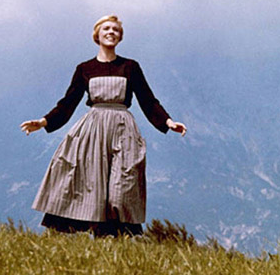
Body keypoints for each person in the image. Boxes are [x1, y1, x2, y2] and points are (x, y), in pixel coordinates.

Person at [20, 15, 187, 236]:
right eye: (106, 28)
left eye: (115, 30)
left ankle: (115, 235)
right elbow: (68, 102)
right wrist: (43, 122)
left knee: (123, 185)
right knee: (89, 183)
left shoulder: (130, 67)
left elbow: (148, 100)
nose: (111, 32)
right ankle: (92, 234)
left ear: (120, 37)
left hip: (123, 129)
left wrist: (168, 122)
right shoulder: (84, 68)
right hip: (93, 131)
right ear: (97, 35)